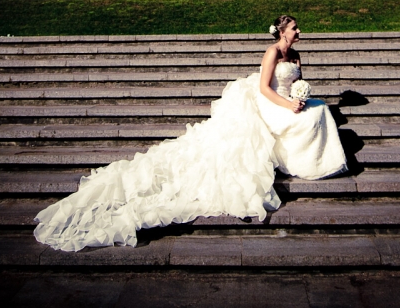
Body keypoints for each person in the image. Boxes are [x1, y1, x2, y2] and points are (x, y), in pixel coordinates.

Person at [34, 15, 347, 252]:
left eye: (298, 28)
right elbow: (265, 88)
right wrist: (287, 104)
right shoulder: (272, 53)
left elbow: (297, 82)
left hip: (287, 100)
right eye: (294, 28)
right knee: (308, 115)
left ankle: (312, 162)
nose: (299, 32)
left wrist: (301, 97)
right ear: (282, 32)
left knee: (320, 109)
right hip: (270, 102)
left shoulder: (296, 56)